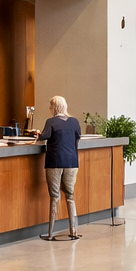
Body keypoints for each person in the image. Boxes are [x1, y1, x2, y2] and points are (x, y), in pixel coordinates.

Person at [37, 95, 81, 240]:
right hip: (72, 162)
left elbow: (44, 137)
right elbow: (77, 139)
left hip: (55, 162)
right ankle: (73, 231)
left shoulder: (51, 122)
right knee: (70, 196)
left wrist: (37, 134)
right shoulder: (74, 121)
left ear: (52, 107)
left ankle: (50, 234)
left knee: (54, 196)